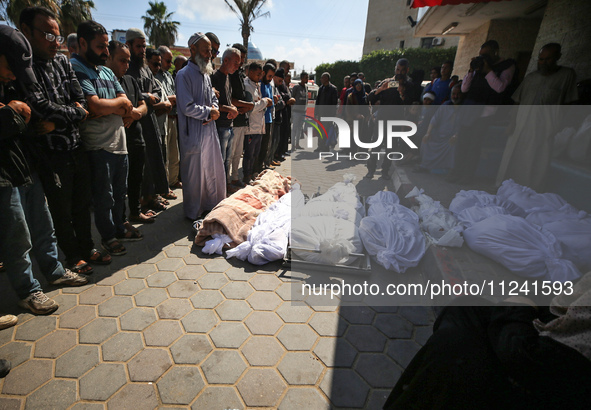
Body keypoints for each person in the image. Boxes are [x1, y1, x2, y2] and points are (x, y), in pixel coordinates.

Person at [383, 283, 591, 409]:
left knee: (455, 339)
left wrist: (518, 308)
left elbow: (526, 357)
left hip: (531, 386)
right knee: (467, 307)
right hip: (535, 357)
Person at [1, 25, 88, 316]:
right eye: (11, 67)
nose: (15, 75)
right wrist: (12, 114)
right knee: (17, 237)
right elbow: (31, 112)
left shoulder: (21, 77)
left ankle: (54, 270)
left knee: (43, 224)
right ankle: (28, 292)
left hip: (28, 163)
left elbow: (41, 109)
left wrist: (26, 115)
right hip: (4, 174)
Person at [20, 6, 102, 274]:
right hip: (50, 153)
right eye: (47, 34)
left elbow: (82, 106)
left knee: (82, 203)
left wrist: (59, 120)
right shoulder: (24, 68)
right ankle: (72, 256)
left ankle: (88, 246)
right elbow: (39, 105)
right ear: (26, 32)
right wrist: (74, 112)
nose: (55, 42)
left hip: (76, 146)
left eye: (57, 36)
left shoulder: (64, 62)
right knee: (61, 209)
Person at [71, 20, 137, 254]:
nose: (106, 52)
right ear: (82, 43)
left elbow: (126, 105)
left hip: (120, 144)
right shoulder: (76, 68)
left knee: (120, 193)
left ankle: (119, 227)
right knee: (104, 197)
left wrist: (115, 105)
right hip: (98, 145)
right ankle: (107, 237)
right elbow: (95, 106)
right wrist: (116, 105)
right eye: (101, 47)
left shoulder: (107, 70)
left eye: (107, 46)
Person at [495, 43, 578, 191]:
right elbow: (517, 101)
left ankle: (528, 192)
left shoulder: (567, 75)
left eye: (548, 59)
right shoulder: (531, 77)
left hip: (545, 125)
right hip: (522, 122)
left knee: (536, 160)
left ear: (558, 57)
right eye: (540, 59)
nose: (543, 62)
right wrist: (512, 122)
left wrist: (558, 124)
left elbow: (570, 103)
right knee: (513, 156)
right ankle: (506, 188)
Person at [176, 32, 225, 220]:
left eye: (210, 51)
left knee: (211, 169)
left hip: (208, 132)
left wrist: (214, 107)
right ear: (193, 49)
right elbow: (186, 106)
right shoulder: (183, 75)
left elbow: (212, 97)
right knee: (195, 176)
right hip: (193, 134)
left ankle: (209, 206)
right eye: (205, 51)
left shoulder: (205, 74)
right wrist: (208, 112)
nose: (209, 55)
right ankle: (192, 212)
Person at [106, 41, 153, 225]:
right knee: (116, 187)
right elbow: (111, 107)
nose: (126, 65)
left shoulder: (130, 80)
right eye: (121, 61)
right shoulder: (106, 82)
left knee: (136, 179)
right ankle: (117, 222)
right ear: (109, 58)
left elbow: (143, 106)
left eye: (127, 61)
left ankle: (135, 212)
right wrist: (132, 111)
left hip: (135, 138)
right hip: (115, 142)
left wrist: (134, 115)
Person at [416, 84, 465, 173]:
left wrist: (456, 135)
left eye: (458, 94)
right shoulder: (445, 105)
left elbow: (464, 125)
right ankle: (425, 166)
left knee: (453, 145)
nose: (455, 96)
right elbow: (434, 120)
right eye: (453, 94)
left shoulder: (465, 108)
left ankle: (449, 170)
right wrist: (428, 133)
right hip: (439, 135)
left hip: (451, 138)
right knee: (426, 141)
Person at [211, 47, 241, 180]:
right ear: (226, 60)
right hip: (219, 126)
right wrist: (229, 109)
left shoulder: (228, 77)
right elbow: (212, 104)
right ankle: (220, 189)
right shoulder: (214, 77)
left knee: (227, 160)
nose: (237, 67)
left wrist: (232, 109)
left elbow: (227, 101)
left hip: (229, 124)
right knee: (220, 160)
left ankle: (226, 185)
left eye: (239, 64)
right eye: (235, 63)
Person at [228, 43, 254, 188]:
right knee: (230, 155)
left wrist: (246, 107)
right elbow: (228, 98)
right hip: (232, 120)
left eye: (243, 59)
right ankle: (226, 181)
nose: (240, 63)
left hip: (242, 120)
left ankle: (235, 178)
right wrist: (245, 106)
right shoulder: (229, 75)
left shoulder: (240, 74)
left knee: (238, 153)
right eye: (238, 59)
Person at [157, 45, 181, 190]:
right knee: (164, 155)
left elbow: (174, 97)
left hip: (173, 117)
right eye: (167, 61)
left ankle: (173, 181)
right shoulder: (154, 75)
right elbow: (166, 98)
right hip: (162, 119)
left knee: (174, 153)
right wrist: (171, 98)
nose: (170, 65)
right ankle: (164, 186)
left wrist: (172, 98)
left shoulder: (168, 76)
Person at [243, 62, 272, 183]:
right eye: (258, 74)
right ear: (250, 72)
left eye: (261, 74)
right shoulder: (246, 85)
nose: (260, 77)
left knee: (256, 153)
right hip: (251, 126)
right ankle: (246, 175)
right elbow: (251, 107)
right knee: (249, 154)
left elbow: (258, 105)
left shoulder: (256, 85)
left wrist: (263, 103)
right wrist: (264, 102)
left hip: (259, 126)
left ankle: (253, 173)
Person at [255, 63, 276, 174]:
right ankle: (256, 168)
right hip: (260, 120)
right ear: (263, 73)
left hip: (269, 119)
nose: (270, 79)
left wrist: (272, 102)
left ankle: (262, 166)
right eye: (269, 76)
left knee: (266, 146)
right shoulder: (259, 85)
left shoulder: (269, 85)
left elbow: (271, 101)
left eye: (272, 76)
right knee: (259, 147)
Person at [315, 72, 338, 151]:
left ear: (326, 79)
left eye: (322, 78)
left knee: (326, 131)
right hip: (321, 114)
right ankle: (320, 146)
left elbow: (334, 103)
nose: (321, 79)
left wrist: (332, 115)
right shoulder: (321, 88)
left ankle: (326, 147)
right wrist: (316, 112)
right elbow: (318, 101)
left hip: (328, 114)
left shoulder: (333, 89)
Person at [291, 71, 308, 150]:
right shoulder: (296, 87)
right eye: (306, 78)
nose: (307, 79)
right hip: (296, 111)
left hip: (303, 111)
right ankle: (293, 145)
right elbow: (293, 97)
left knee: (300, 129)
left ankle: (297, 144)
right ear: (301, 78)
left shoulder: (306, 87)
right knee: (294, 128)